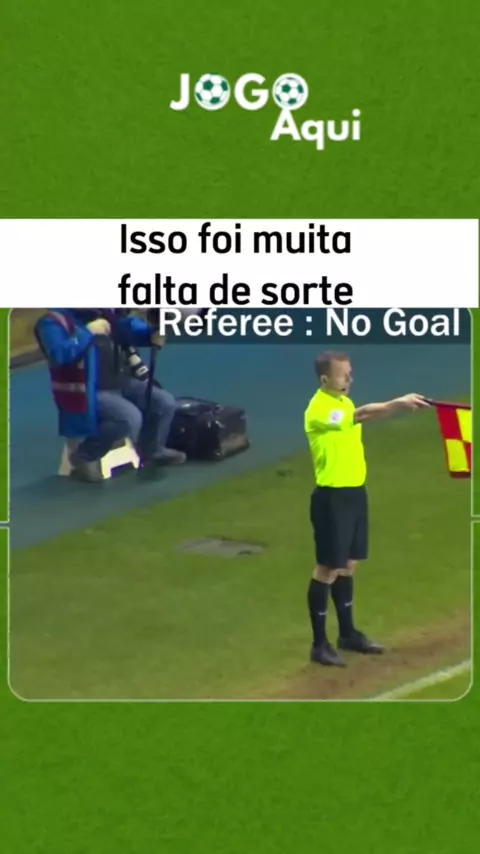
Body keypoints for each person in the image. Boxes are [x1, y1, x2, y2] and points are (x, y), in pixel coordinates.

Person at [304, 351, 430, 667]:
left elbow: (362, 415)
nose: (350, 378)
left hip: (355, 493)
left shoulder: (343, 403)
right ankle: (319, 645)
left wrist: (396, 407)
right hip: (332, 497)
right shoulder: (319, 409)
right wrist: (396, 403)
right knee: (328, 568)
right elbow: (360, 415)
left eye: (350, 372)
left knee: (349, 564)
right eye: (343, 374)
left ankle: (347, 634)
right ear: (325, 379)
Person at [35, 308, 186, 482]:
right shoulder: (52, 322)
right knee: (129, 418)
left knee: (164, 402)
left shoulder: (105, 313)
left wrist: (151, 334)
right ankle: (85, 456)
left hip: (121, 381)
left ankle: (153, 450)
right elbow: (60, 354)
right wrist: (88, 332)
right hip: (85, 392)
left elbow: (129, 329)